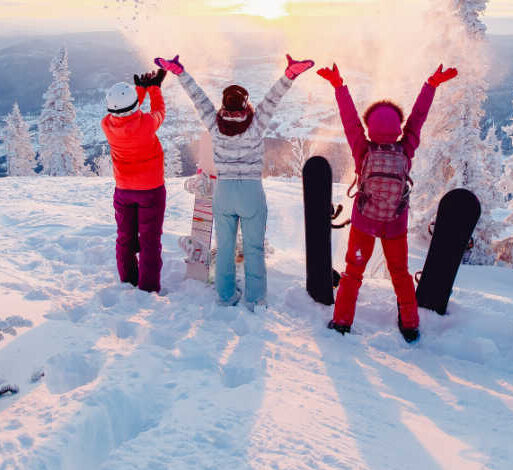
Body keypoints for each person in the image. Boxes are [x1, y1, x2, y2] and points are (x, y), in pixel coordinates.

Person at [154, 53, 314, 309]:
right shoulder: (255, 125)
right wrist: (289, 74)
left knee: (225, 248)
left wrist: (180, 73)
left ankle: (226, 295)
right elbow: (273, 98)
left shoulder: (215, 125)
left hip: (224, 191)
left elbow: (199, 99)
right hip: (251, 192)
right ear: (244, 104)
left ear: (224, 105)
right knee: (254, 249)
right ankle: (255, 298)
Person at [317, 62, 457, 341]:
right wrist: (431, 85)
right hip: (395, 224)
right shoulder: (405, 148)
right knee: (400, 274)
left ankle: (342, 321)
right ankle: (410, 324)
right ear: (397, 126)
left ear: (369, 127)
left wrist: (339, 86)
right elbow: (419, 117)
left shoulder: (363, 149)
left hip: (363, 223)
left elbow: (349, 120)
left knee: (353, 272)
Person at [101, 68, 167, 293]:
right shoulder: (147, 123)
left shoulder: (107, 125)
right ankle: (148, 288)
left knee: (125, 237)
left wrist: (139, 90)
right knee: (149, 240)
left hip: (123, 191)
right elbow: (158, 111)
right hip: (150, 190)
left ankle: (128, 280)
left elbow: (125, 113)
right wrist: (154, 88)